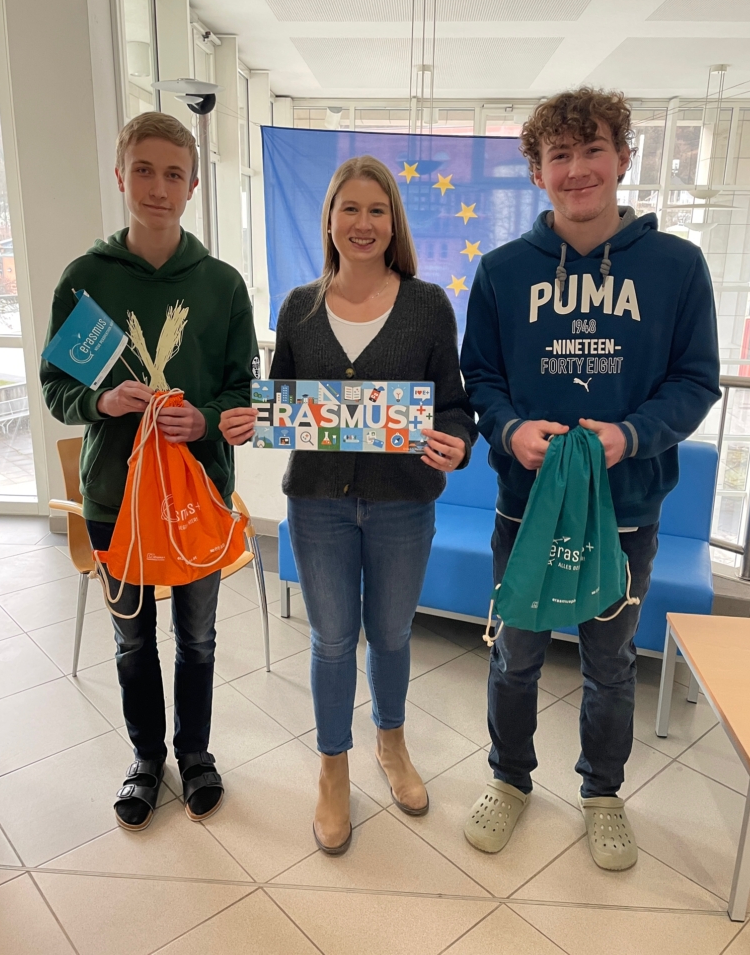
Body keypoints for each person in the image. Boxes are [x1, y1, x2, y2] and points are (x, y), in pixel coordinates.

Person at [460, 88, 720, 870]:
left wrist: (630, 435)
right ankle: (508, 779)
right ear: (536, 172)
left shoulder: (677, 266)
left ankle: (602, 794)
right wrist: (509, 429)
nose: (577, 169)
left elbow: (694, 381)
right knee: (514, 656)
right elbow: (480, 378)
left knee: (609, 665)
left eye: (592, 150)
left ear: (623, 158)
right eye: (559, 155)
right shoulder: (501, 272)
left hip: (627, 510)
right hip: (525, 508)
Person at [220, 155, 478, 855]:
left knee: (391, 634)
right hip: (318, 506)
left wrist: (455, 442)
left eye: (377, 210)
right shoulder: (299, 307)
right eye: (350, 209)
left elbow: (454, 407)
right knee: (332, 640)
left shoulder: (427, 305)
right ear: (329, 218)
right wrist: (250, 419)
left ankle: (391, 744)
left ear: (393, 222)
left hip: (403, 506)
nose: (363, 223)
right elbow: (282, 405)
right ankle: (332, 769)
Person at [41, 112, 258, 831]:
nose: (158, 188)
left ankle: (194, 755)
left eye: (173, 174)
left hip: (196, 499)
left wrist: (204, 419)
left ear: (193, 186)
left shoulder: (222, 285)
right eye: (143, 170)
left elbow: (243, 392)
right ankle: (145, 758)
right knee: (132, 639)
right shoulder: (86, 280)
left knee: (197, 639)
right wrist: (101, 400)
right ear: (120, 175)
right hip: (115, 501)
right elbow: (57, 388)